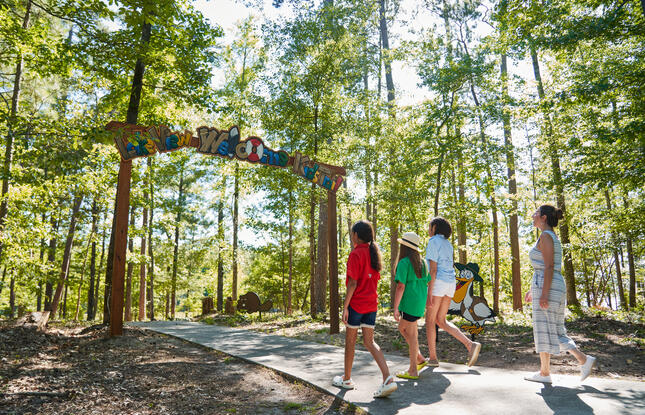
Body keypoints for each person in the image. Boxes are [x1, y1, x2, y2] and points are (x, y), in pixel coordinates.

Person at [524, 205, 596, 383]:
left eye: (536, 213)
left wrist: (544, 294)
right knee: (548, 328)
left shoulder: (546, 236)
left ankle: (583, 359)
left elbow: (549, 267)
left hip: (548, 285)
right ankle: (545, 373)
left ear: (544, 218)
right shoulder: (550, 236)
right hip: (547, 283)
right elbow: (546, 266)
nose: (533, 216)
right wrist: (534, 290)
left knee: (548, 328)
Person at [332, 220, 397, 398]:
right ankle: (387, 378)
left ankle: (346, 379)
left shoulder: (356, 254)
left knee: (350, 342)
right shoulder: (373, 253)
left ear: (356, 235)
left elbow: (352, 283)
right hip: (371, 305)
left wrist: (345, 307)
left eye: (352, 233)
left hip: (357, 305)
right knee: (369, 342)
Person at [425, 217, 481, 367]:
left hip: (438, 283)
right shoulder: (448, 244)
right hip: (450, 284)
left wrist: (429, 293)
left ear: (435, 227)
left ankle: (432, 358)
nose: (428, 229)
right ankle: (470, 344)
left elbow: (433, 269)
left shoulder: (433, 242)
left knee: (430, 320)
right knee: (441, 320)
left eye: (430, 226)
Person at [392, 232, 431, 380]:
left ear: (404, 247)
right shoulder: (423, 262)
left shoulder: (404, 263)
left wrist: (395, 308)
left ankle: (413, 370)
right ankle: (419, 358)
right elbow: (427, 282)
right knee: (402, 328)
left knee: (412, 335)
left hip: (409, 303)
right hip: (418, 303)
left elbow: (400, 286)